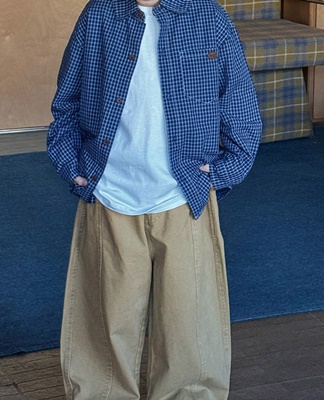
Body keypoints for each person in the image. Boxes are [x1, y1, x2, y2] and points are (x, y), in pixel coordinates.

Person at [47, 0, 262, 397]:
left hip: (184, 197)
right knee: (105, 330)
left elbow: (239, 103)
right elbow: (67, 102)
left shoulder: (208, 16)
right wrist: (73, 167)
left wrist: (223, 171)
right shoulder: (99, 14)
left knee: (189, 333)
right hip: (110, 196)